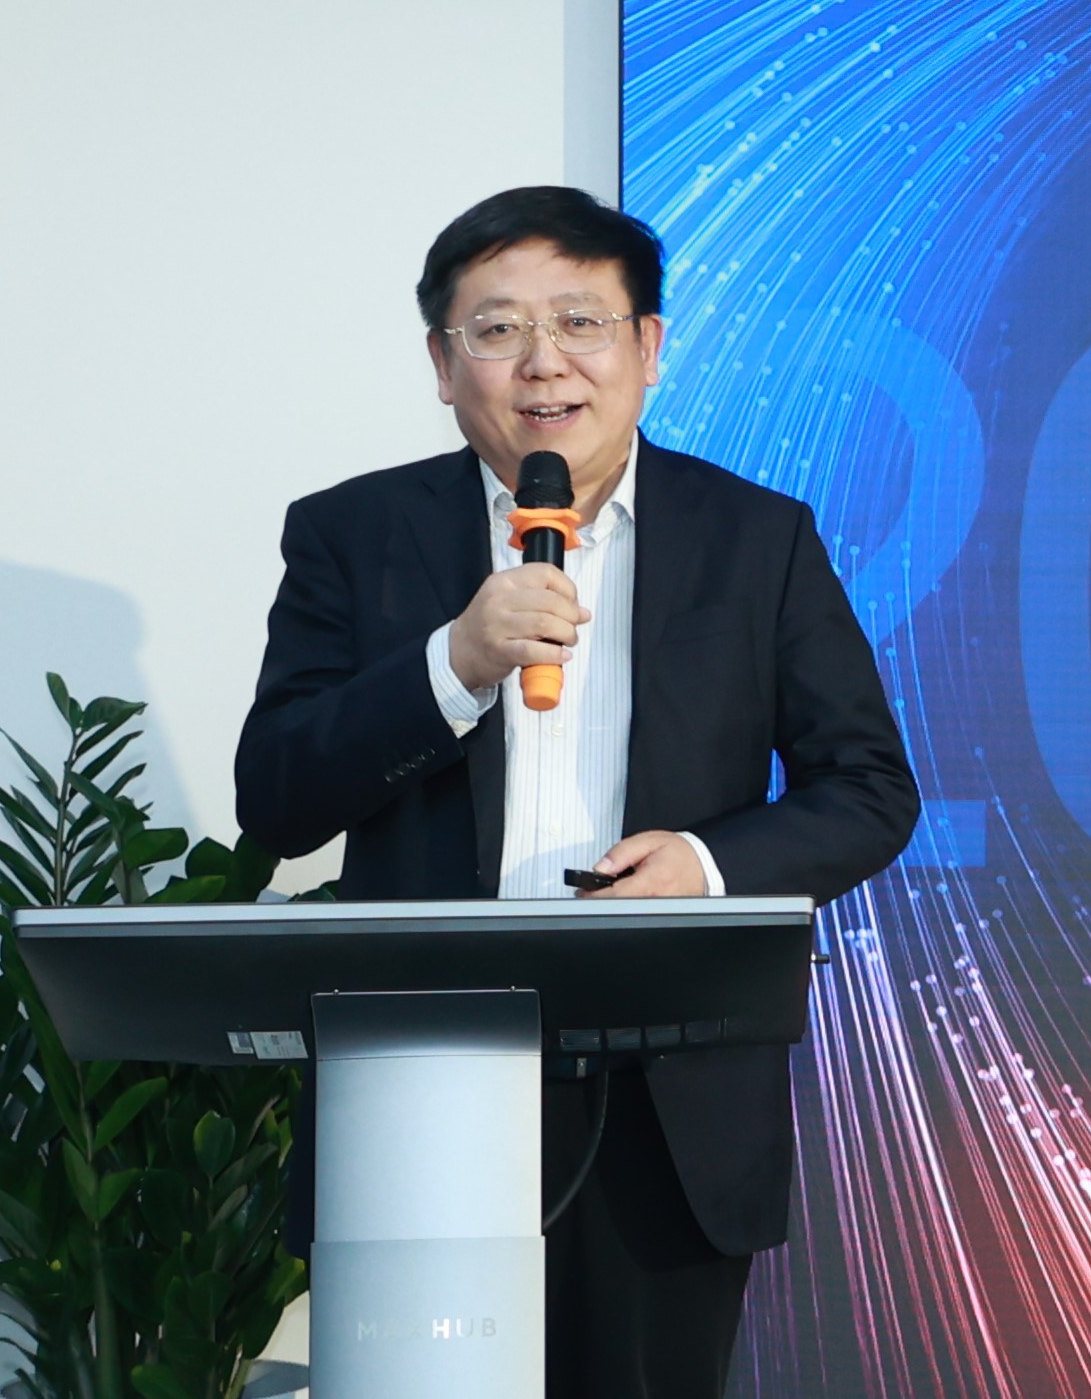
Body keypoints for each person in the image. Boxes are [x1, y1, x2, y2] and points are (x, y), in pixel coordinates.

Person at [235, 186, 919, 1398]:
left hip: (667, 1091)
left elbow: (866, 786)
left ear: (647, 347)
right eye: (496, 329)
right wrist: (452, 664)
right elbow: (276, 799)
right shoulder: (352, 533)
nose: (542, 362)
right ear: (443, 365)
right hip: (421, 1082)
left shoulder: (756, 537)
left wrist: (704, 866)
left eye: (579, 322)